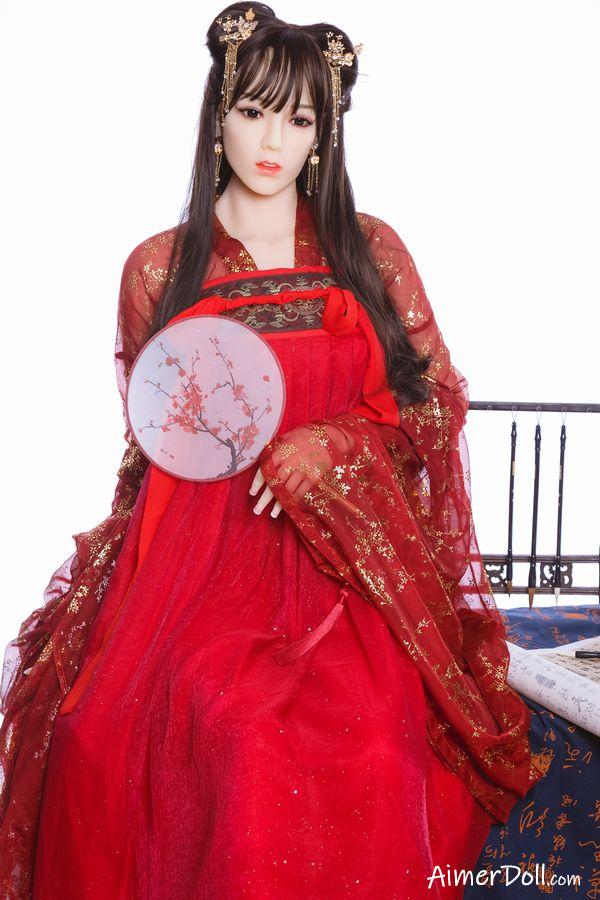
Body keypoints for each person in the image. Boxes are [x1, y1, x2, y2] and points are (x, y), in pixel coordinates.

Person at [0, 4, 545, 898]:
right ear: (217, 115)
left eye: (298, 118)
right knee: (130, 734)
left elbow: (436, 396)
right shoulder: (158, 268)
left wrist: (334, 445)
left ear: (323, 135)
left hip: (343, 567)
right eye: (253, 111)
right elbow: (158, 442)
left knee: (359, 745)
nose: (272, 140)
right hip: (197, 569)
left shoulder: (368, 251)